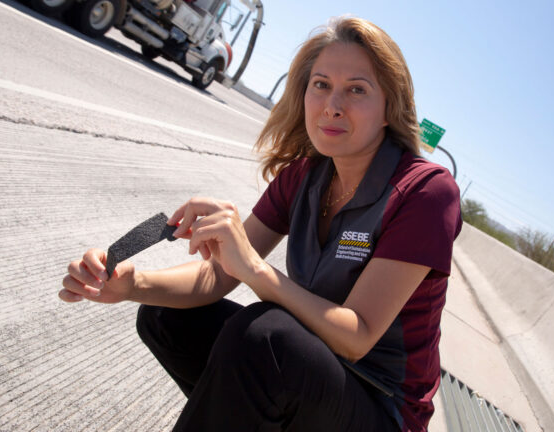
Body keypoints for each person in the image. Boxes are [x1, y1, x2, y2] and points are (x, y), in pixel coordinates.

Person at [60, 16, 462, 432]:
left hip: (380, 404)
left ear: (388, 109)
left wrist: (252, 267)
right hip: (310, 374)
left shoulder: (426, 192)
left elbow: (357, 336)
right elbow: (216, 276)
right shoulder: (305, 175)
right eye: (321, 84)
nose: (332, 105)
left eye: (356, 90)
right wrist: (131, 284)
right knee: (166, 317)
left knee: (266, 337)